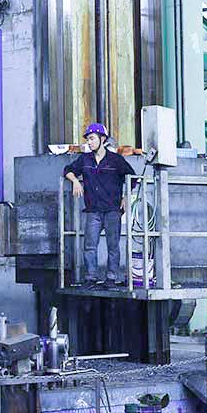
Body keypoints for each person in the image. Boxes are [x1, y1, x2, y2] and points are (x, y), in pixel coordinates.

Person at [63, 123, 136, 289]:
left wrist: (126, 196)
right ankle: (91, 278)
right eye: (88, 139)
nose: (89, 142)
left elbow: (132, 177)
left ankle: (111, 278)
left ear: (102, 139)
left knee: (113, 246)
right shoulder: (85, 159)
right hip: (93, 210)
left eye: (92, 139)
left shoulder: (116, 160)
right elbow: (67, 170)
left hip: (112, 210)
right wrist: (75, 181)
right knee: (89, 246)